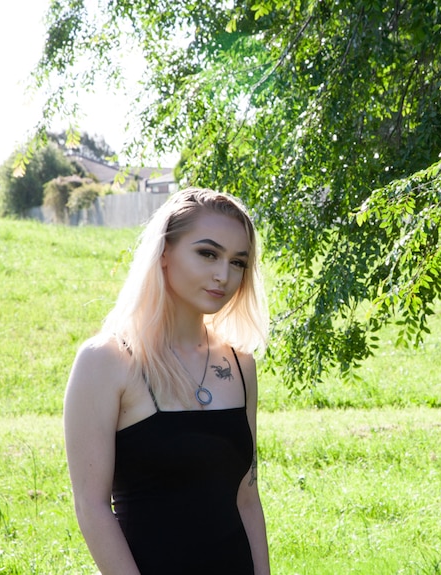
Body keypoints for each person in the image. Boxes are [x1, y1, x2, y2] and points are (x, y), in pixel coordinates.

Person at [64, 187, 271, 574]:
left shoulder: (241, 364)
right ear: (163, 253)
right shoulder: (106, 361)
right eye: (207, 253)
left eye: (238, 262)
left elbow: (247, 497)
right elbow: (91, 507)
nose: (223, 275)